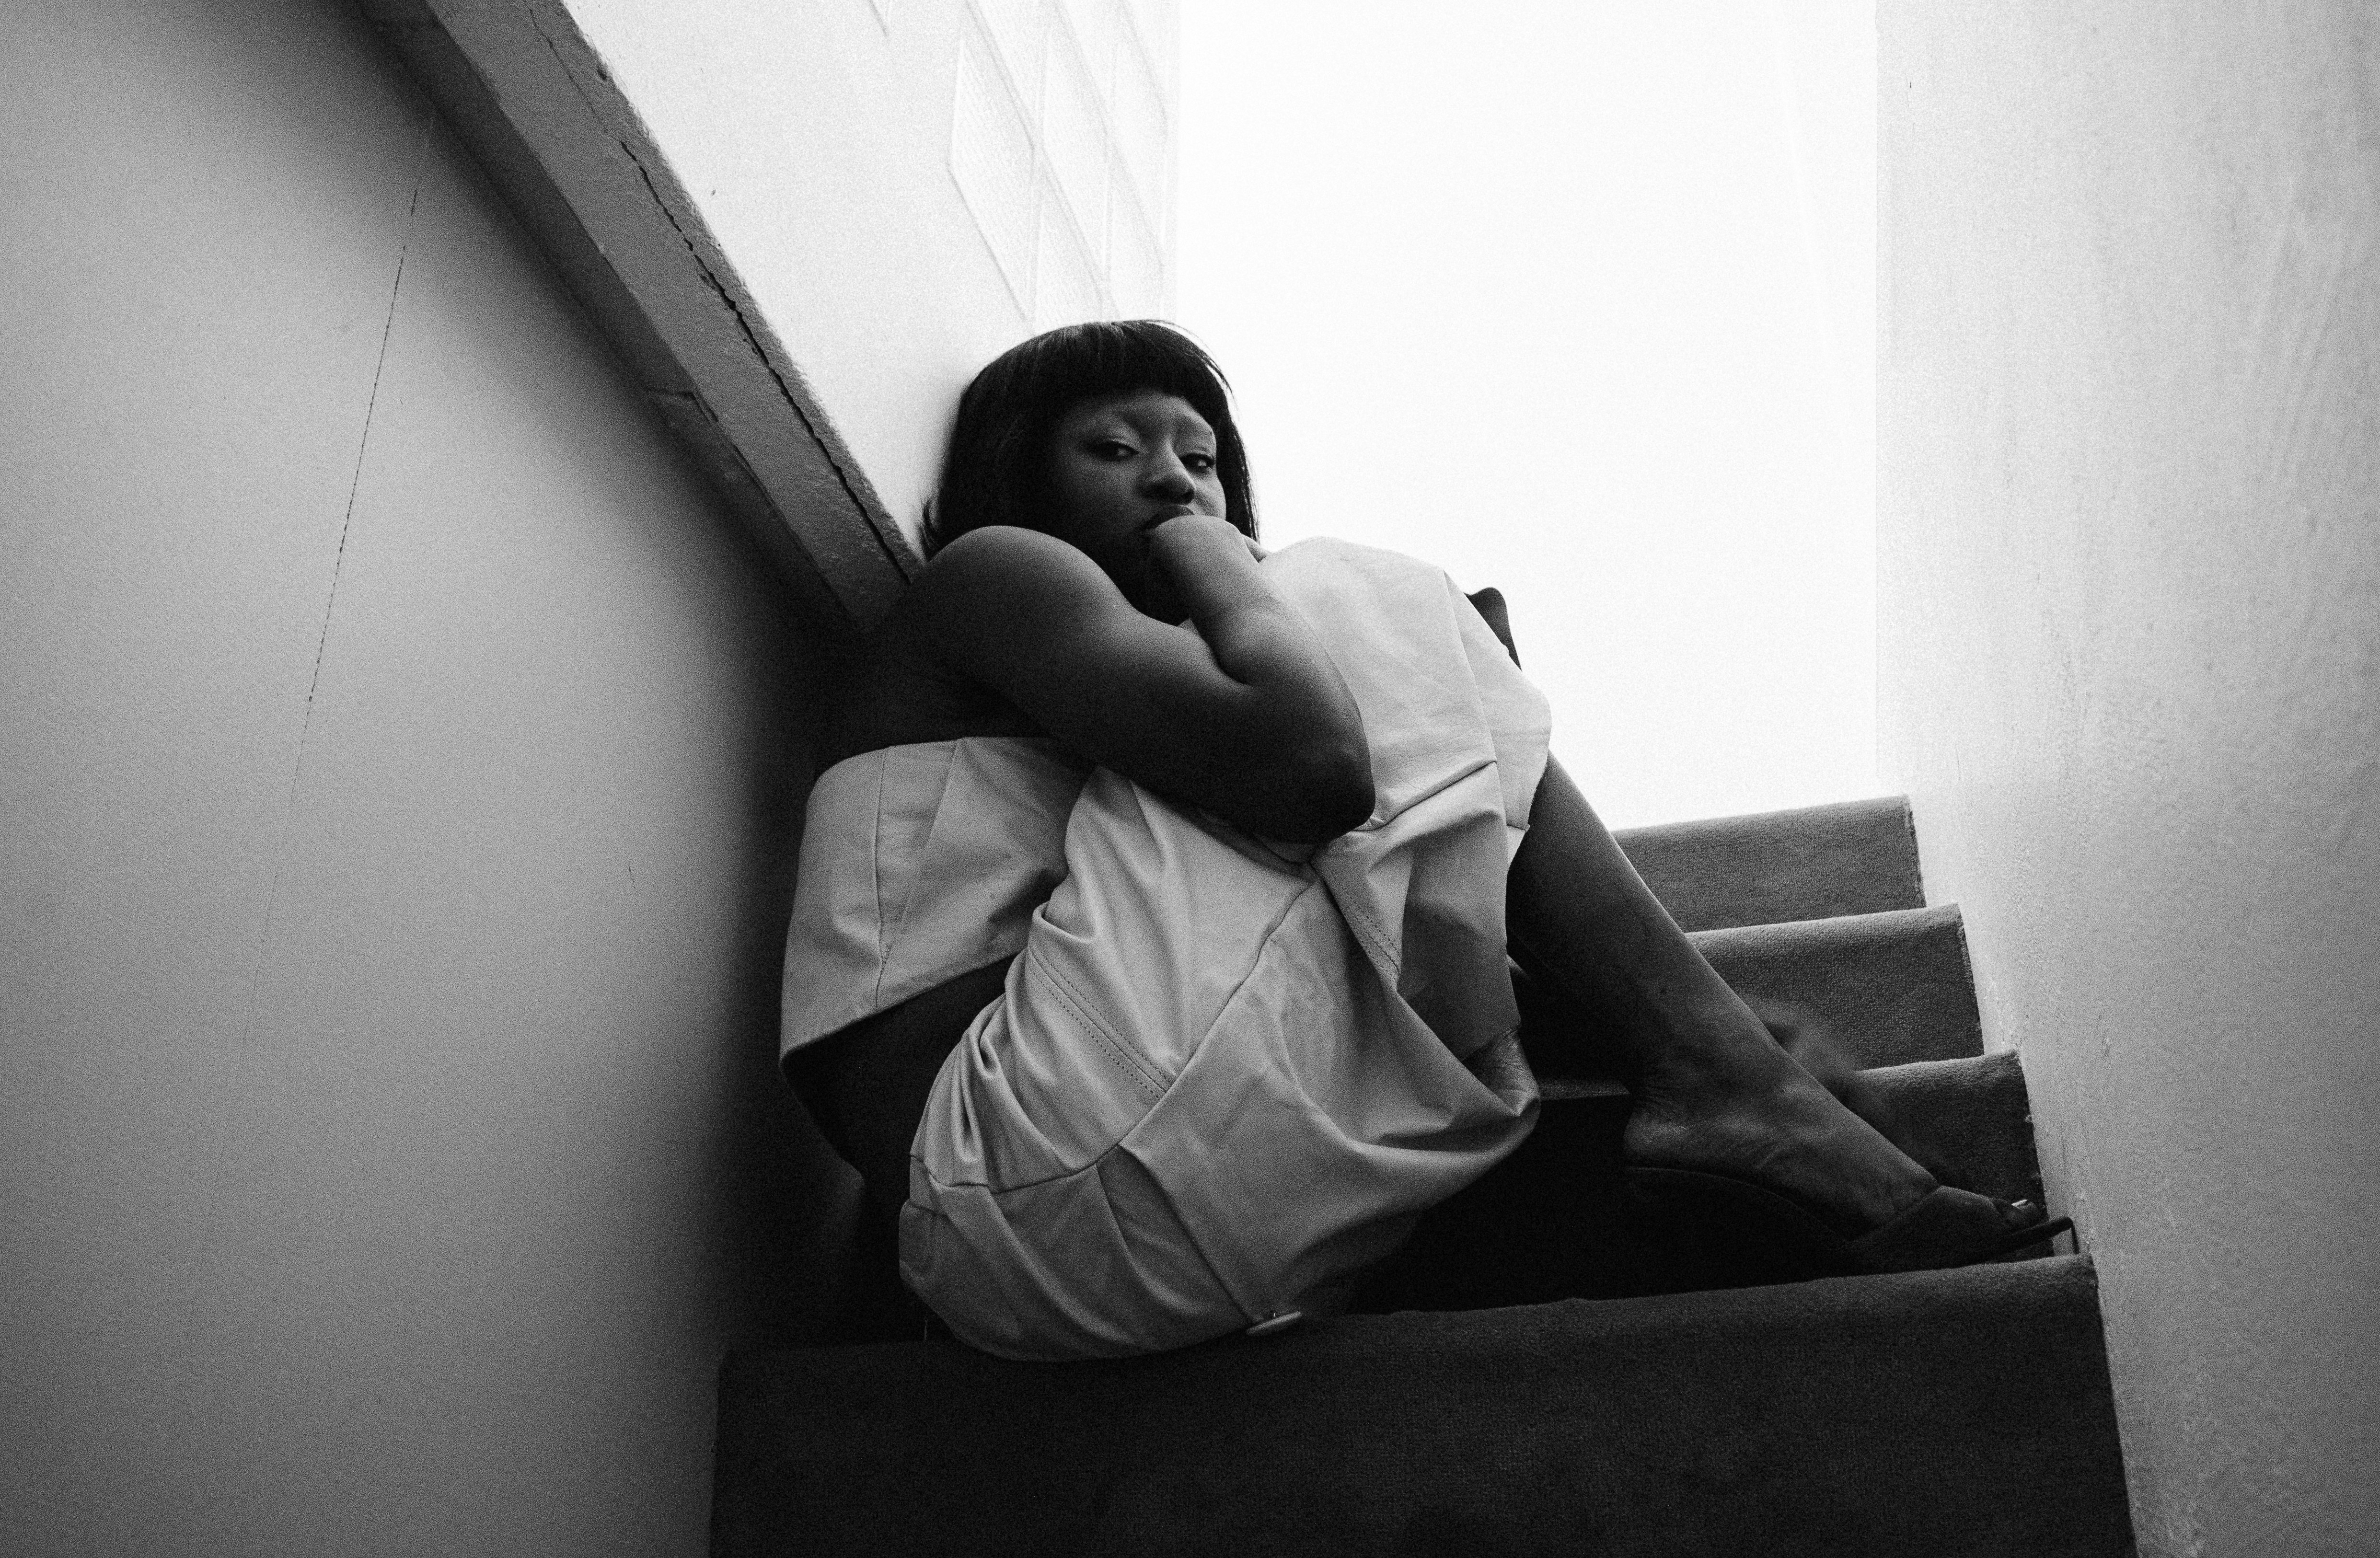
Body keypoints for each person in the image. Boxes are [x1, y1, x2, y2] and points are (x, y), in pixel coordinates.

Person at [782, 321, 2063, 1360]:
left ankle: (1714, 1067)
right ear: (1021, 476)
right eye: (1113, 450)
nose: (1175, 479)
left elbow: (1365, 892)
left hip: (1116, 1230)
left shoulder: (1137, 789)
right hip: (1029, 1173)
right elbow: (1312, 766)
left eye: (1201, 460)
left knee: (1409, 682)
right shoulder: (994, 577)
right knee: (1356, 603)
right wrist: (1237, 566)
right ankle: (1724, 1080)